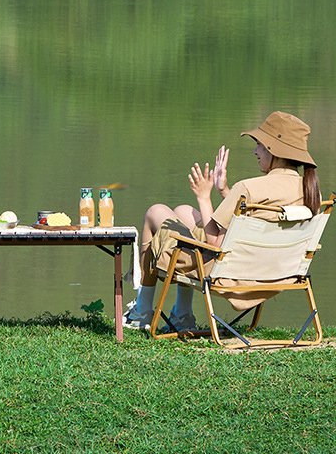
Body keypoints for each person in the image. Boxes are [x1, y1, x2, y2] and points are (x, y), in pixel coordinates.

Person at [125, 111, 321, 332]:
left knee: (156, 211)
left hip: (228, 273)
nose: (255, 151)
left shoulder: (248, 187)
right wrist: (224, 190)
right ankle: (182, 314)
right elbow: (255, 217)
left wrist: (204, 197)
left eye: (259, 145)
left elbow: (215, 244)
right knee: (183, 211)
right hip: (272, 270)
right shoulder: (309, 193)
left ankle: (142, 311)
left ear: (272, 149)